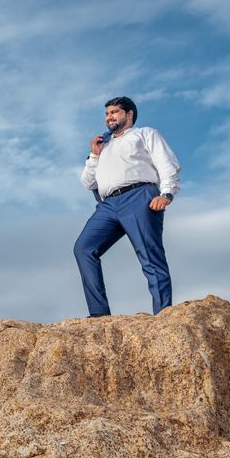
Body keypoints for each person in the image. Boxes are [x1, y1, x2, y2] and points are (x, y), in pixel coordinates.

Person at [73, 96, 180, 317]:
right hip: (108, 204)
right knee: (83, 248)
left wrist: (167, 193)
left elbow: (167, 163)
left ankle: (163, 315)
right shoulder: (104, 145)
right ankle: (99, 314)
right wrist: (94, 154)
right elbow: (88, 182)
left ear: (129, 114)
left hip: (139, 195)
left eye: (114, 112)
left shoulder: (145, 134)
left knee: (150, 256)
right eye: (107, 113)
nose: (109, 117)